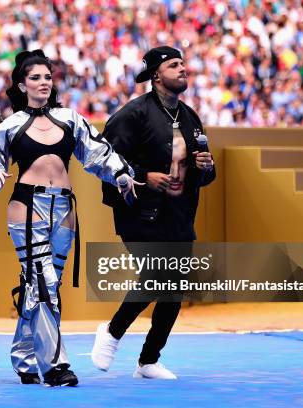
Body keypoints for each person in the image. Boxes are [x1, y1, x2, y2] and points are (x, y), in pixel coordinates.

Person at [0, 49, 140, 387]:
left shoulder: (70, 119)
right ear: (22, 85)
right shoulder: (11, 125)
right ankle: (55, 366)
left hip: (64, 210)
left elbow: (97, 153)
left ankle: (23, 359)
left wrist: (121, 174)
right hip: (26, 208)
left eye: (48, 77)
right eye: (36, 77)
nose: (44, 82)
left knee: (41, 287)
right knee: (44, 283)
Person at [91, 46, 216, 379]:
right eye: (174, 65)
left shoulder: (190, 118)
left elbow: (206, 173)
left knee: (173, 289)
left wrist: (206, 166)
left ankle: (148, 361)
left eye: (183, 63)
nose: (183, 68)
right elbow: (106, 161)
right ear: (156, 75)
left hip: (179, 215)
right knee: (156, 276)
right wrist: (143, 176)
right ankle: (113, 331)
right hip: (140, 214)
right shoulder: (131, 115)